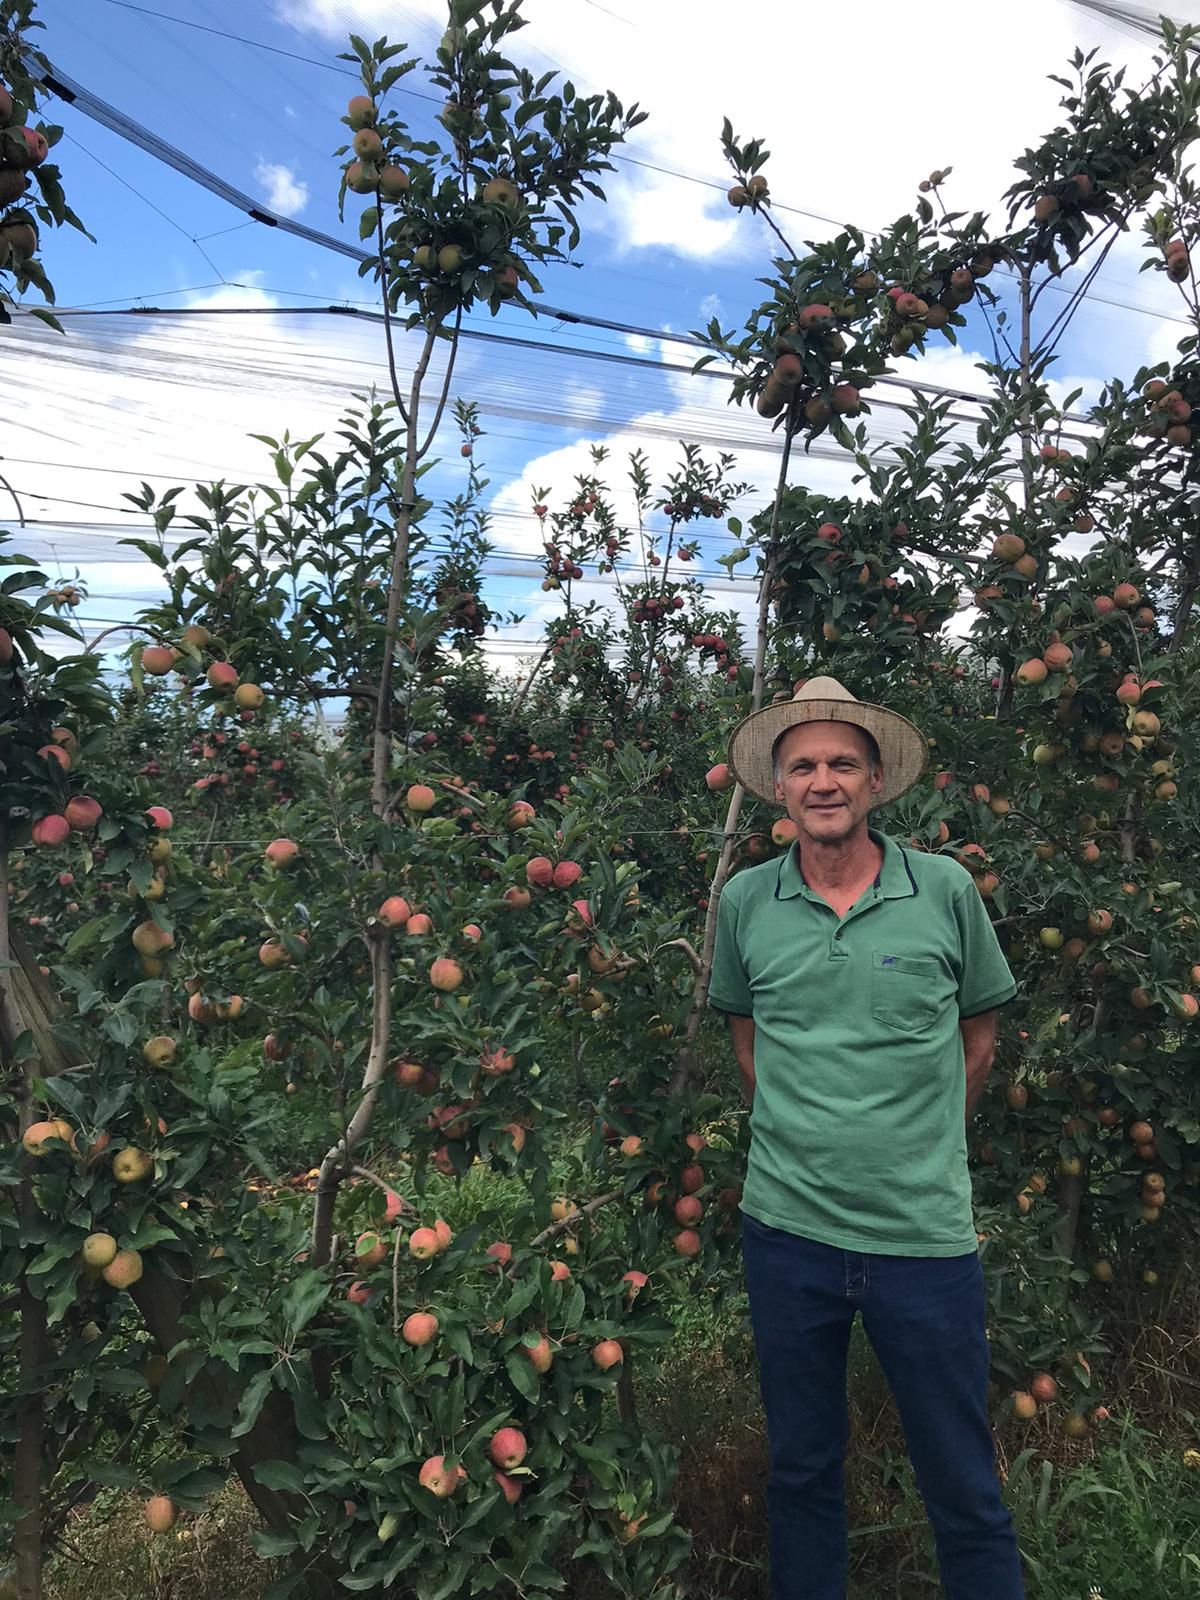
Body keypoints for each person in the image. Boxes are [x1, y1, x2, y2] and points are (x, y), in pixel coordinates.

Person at [709, 675, 1025, 1600]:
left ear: (877, 780)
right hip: (788, 1236)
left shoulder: (946, 891)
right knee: (802, 1473)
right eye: (803, 764)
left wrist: (917, 1146)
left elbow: (979, 1036)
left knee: (963, 1484)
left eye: (843, 762)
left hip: (922, 1240)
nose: (823, 780)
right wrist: (809, 1135)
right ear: (778, 787)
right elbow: (748, 1035)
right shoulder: (746, 905)